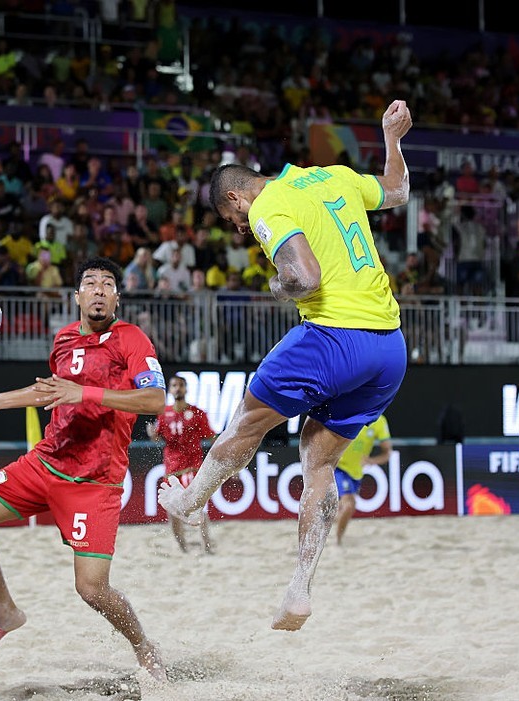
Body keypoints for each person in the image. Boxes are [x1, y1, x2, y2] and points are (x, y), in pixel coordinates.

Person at [159, 99, 412, 632]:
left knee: (247, 422)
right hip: (389, 349)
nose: (241, 230)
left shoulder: (267, 207)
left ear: (236, 196)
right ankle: (300, 587)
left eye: (233, 220)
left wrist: (277, 285)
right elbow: (398, 191)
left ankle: (189, 500)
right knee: (318, 464)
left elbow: (306, 277)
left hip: (333, 336)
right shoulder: (334, 177)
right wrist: (391, 137)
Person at [0, 257, 167, 680]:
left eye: (108, 283)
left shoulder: (132, 340)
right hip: (45, 463)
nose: (100, 289)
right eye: (91, 283)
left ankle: (144, 647)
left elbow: (154, 400)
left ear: (117, 298)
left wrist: (85, 393)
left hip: (94, 482)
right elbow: (49, 391)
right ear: (78, 297)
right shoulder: (64, 339)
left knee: (91, 590)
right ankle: (5, 611)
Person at [147, 375, 216, 554]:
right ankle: (182, 546)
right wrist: (152, 434)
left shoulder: (197, 413)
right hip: (172, 469)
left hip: (192, 466)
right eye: (174, 385)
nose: (178, 388)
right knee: (173, 510)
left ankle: (206, 545)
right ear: (170, 389)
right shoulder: (163, 414)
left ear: (186, 389)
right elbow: (157, 438)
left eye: (181, 385)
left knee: (198, 506)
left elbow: (210, 436)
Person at [333, 414, 393, 545]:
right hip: (339, 466)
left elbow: (388, 452)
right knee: (349, 504)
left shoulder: (380, 421)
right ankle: (336, 541)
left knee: (347, 507)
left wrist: (372, 460)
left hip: (356, 471)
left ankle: (336, 534)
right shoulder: (353, 410)